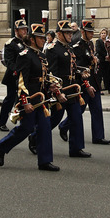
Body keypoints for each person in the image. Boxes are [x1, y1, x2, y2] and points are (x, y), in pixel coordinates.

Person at [0, 22, 60, 172]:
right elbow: (21, 80)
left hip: (41, 98)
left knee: (45, 127)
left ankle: (45, 161)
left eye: (43, 37)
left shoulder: (41, 55)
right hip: (29, 98)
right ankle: (2, 146)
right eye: (39, 37)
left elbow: (44, 75)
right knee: (26, 128)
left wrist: (51, 85)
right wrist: (25, 101)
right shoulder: (24, 56)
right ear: (32, 39)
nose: (43, 40)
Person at [44, 18, 90, 158]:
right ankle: (35, 137)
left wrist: (81, 72)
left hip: (72, 89)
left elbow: (73, 68)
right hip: (60, 90)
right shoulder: (52, 49)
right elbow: (51, 73)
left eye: (70, 33)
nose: (70, 35)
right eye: (67, 33)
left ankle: (76, 148)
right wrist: (57, 92)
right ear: (59, 34)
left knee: (76, 118)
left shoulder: (69, 48)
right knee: (54, 119)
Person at [64, 18, 110, 145]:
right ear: (83, 32)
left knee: (97, 109)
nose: (92, 34)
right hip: (84, 82)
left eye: (92, 31)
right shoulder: (77, 45)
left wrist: (95, 60)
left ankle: (98, 136)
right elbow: (78, 66)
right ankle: (64, 126)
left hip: (94, 80)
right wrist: (86, 83)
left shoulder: (90, 44)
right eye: (89, 32)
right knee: (80, 109)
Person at [0, 16, 29, 132]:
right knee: (10, 99)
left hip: (25, 77)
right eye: (22, 29)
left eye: (26, 29)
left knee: (24, 100)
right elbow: (9, 61)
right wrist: (17, 70)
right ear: (16, 31)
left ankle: (23, 122)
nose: (25, 31)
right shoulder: (11, 44)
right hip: (14, 77)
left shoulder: (28, 43)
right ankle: (2, 122)